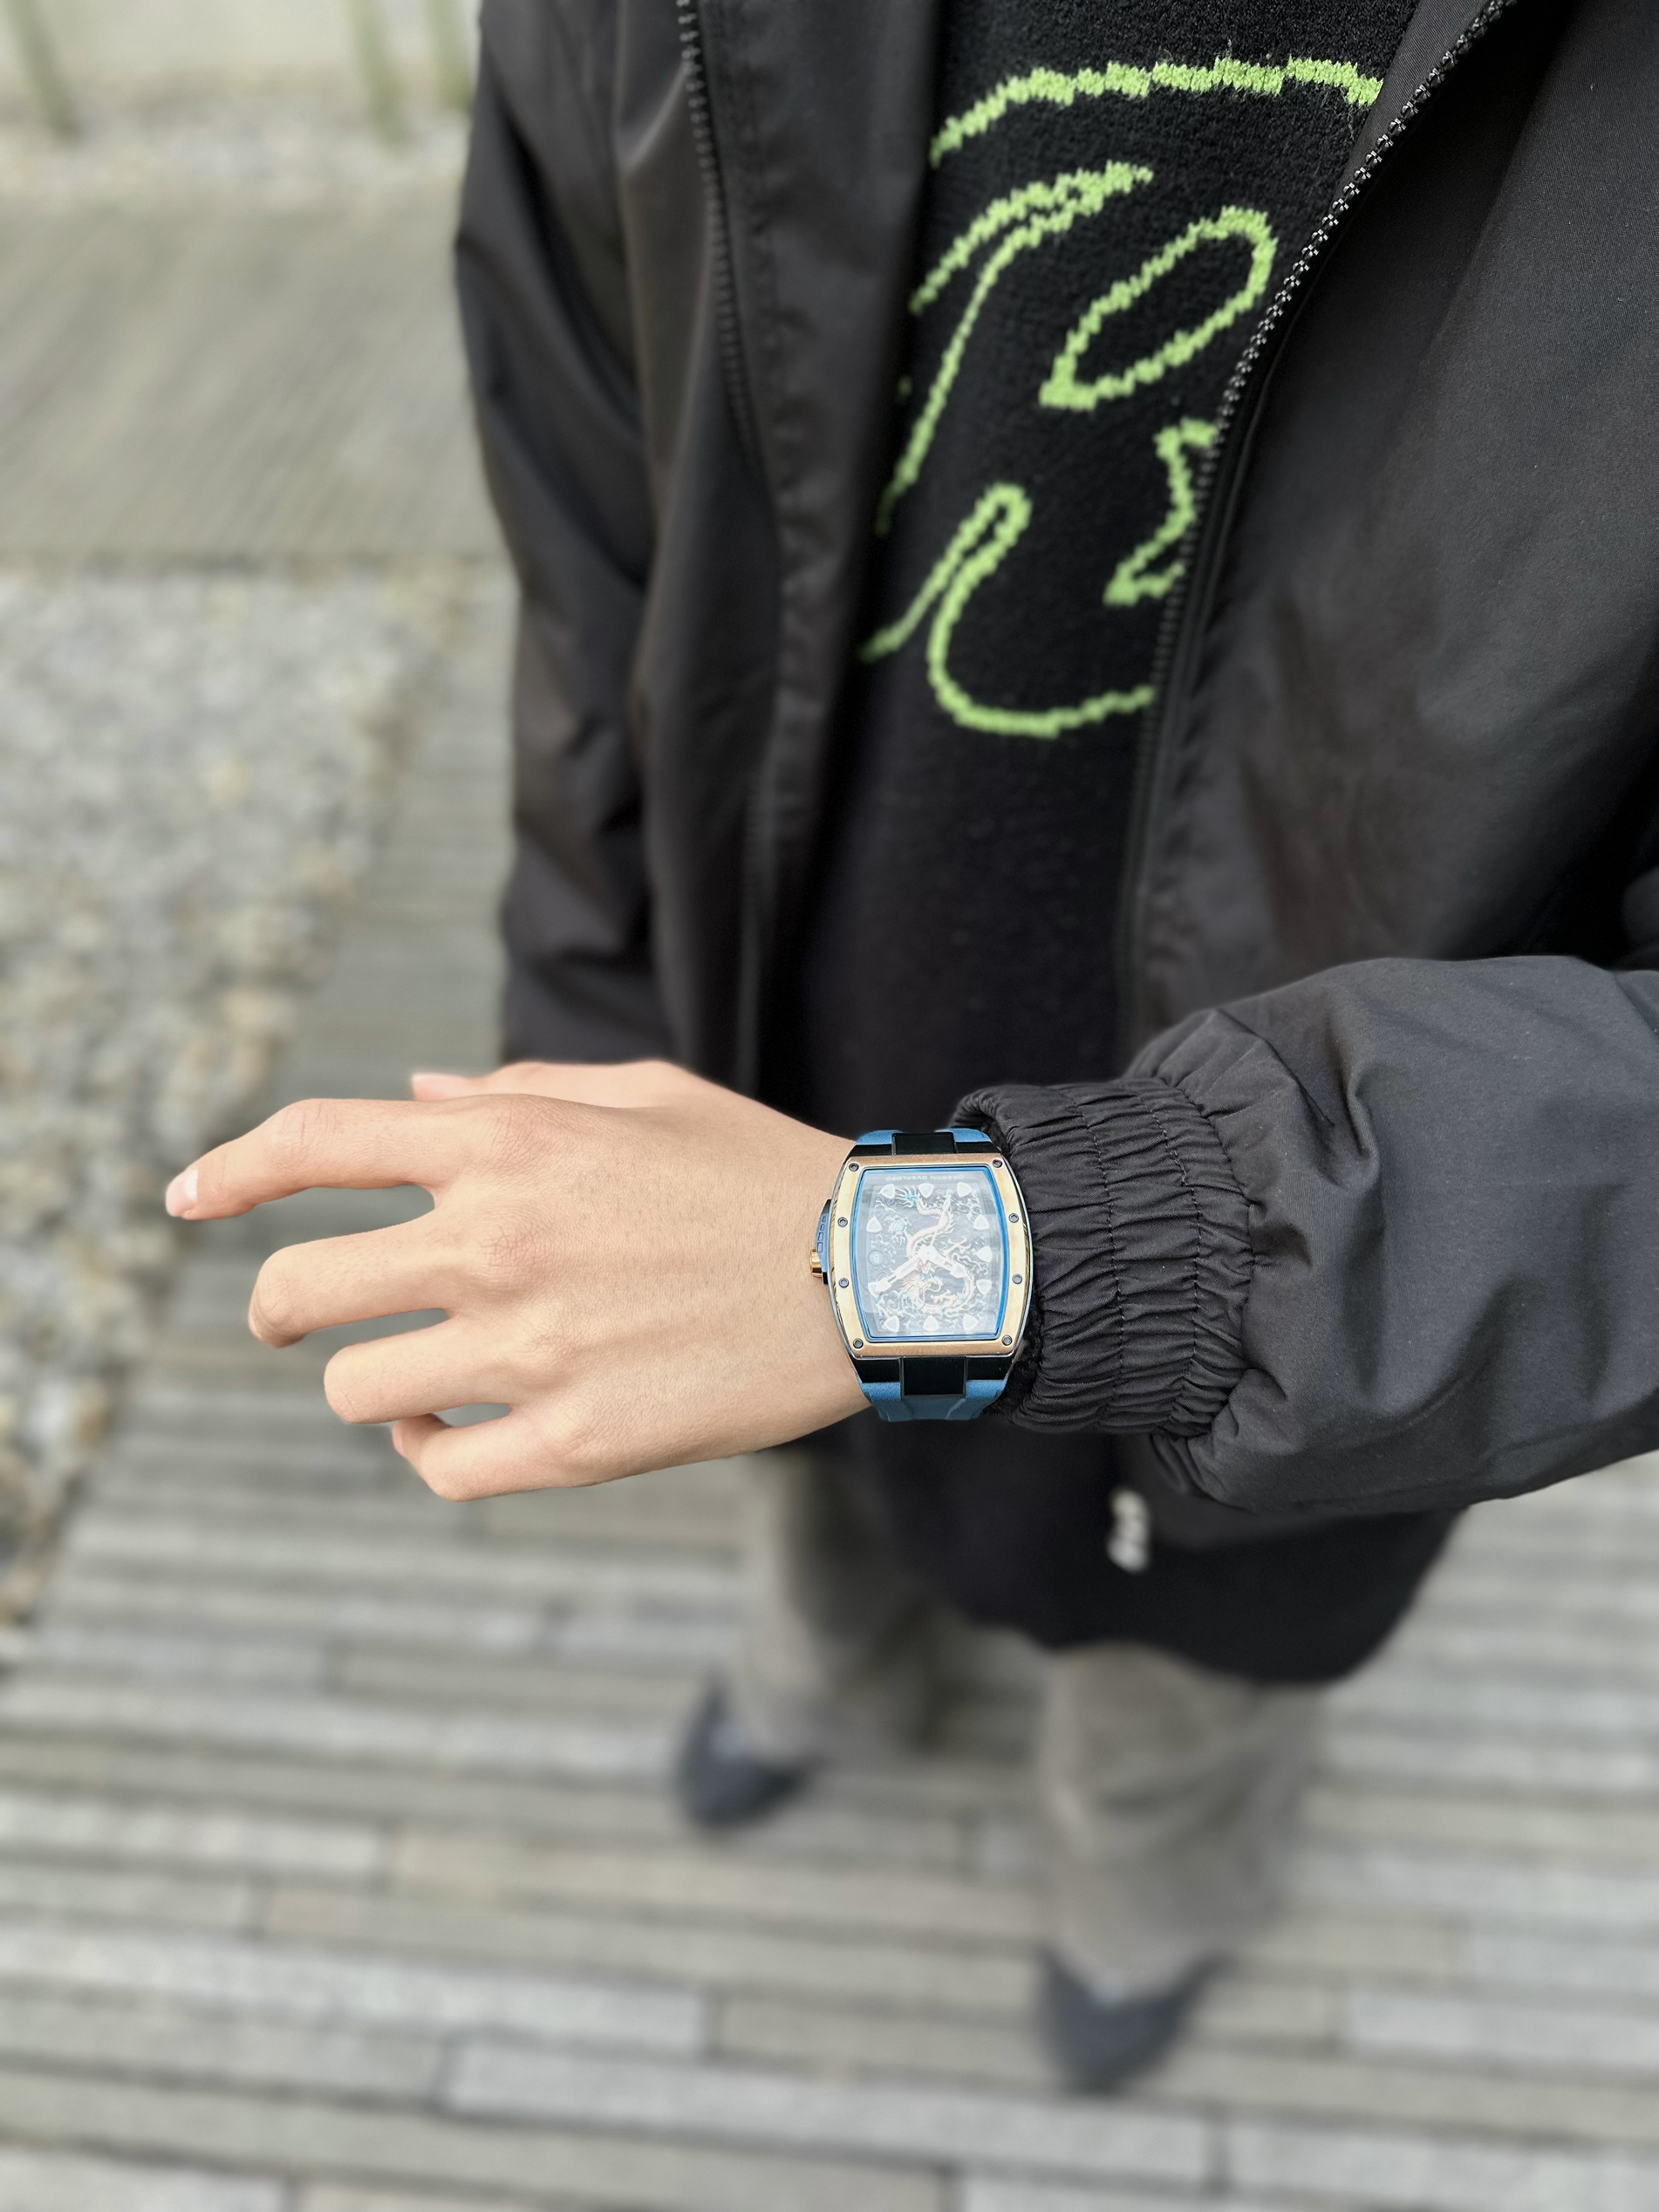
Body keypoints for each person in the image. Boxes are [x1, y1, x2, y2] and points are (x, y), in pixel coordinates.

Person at [165, 0, 1659, 2093]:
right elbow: (595, 542)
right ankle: (825, 1675)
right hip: (787, 1025)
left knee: (1200, 1638)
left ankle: (1150, 1878)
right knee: (803, 1480)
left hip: (1367, 1137)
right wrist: (580, 1039)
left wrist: (994, 1259)